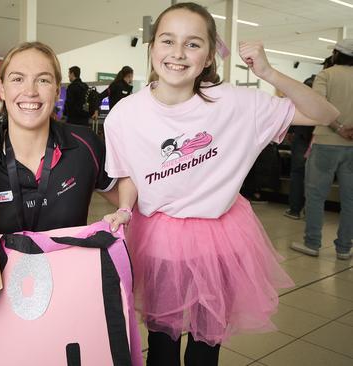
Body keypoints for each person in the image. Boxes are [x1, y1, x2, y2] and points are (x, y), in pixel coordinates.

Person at [101, 3, 339, 366]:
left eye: (193, 44)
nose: (178, 53)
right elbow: (129, 174)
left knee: (205, 346)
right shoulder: (125, 114)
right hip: (158, 238)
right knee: (161, 345)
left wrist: (269, 73)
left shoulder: (237, 104)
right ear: (151, 48)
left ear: (210, 55)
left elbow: (326, 115)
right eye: (167, 40)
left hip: (220, 237)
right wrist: (122, 208)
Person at [0, 41, 117, 235]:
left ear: (56, 91)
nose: (30, 91)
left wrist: (124, 213)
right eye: (18, 79)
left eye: (43, 80)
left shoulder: (85, 145)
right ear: (2, 89)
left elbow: (130, 202)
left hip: (69, 264)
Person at [291, 39, 353, 260]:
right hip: (352, 147)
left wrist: (339, 128)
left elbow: (317, 106)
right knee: (350, 199)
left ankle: (313, 243)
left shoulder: (326, 75)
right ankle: (345, 248)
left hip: (326, 142)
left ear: (336, 53)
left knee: (316, 195)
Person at [284, 57, 333, 219]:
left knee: (298, 172)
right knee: (319, 176)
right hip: (328, 135)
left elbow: (296, 105)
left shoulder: (311, 82)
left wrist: (291, 129)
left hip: (304, 134)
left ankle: (295, 209)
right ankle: (311, 211)